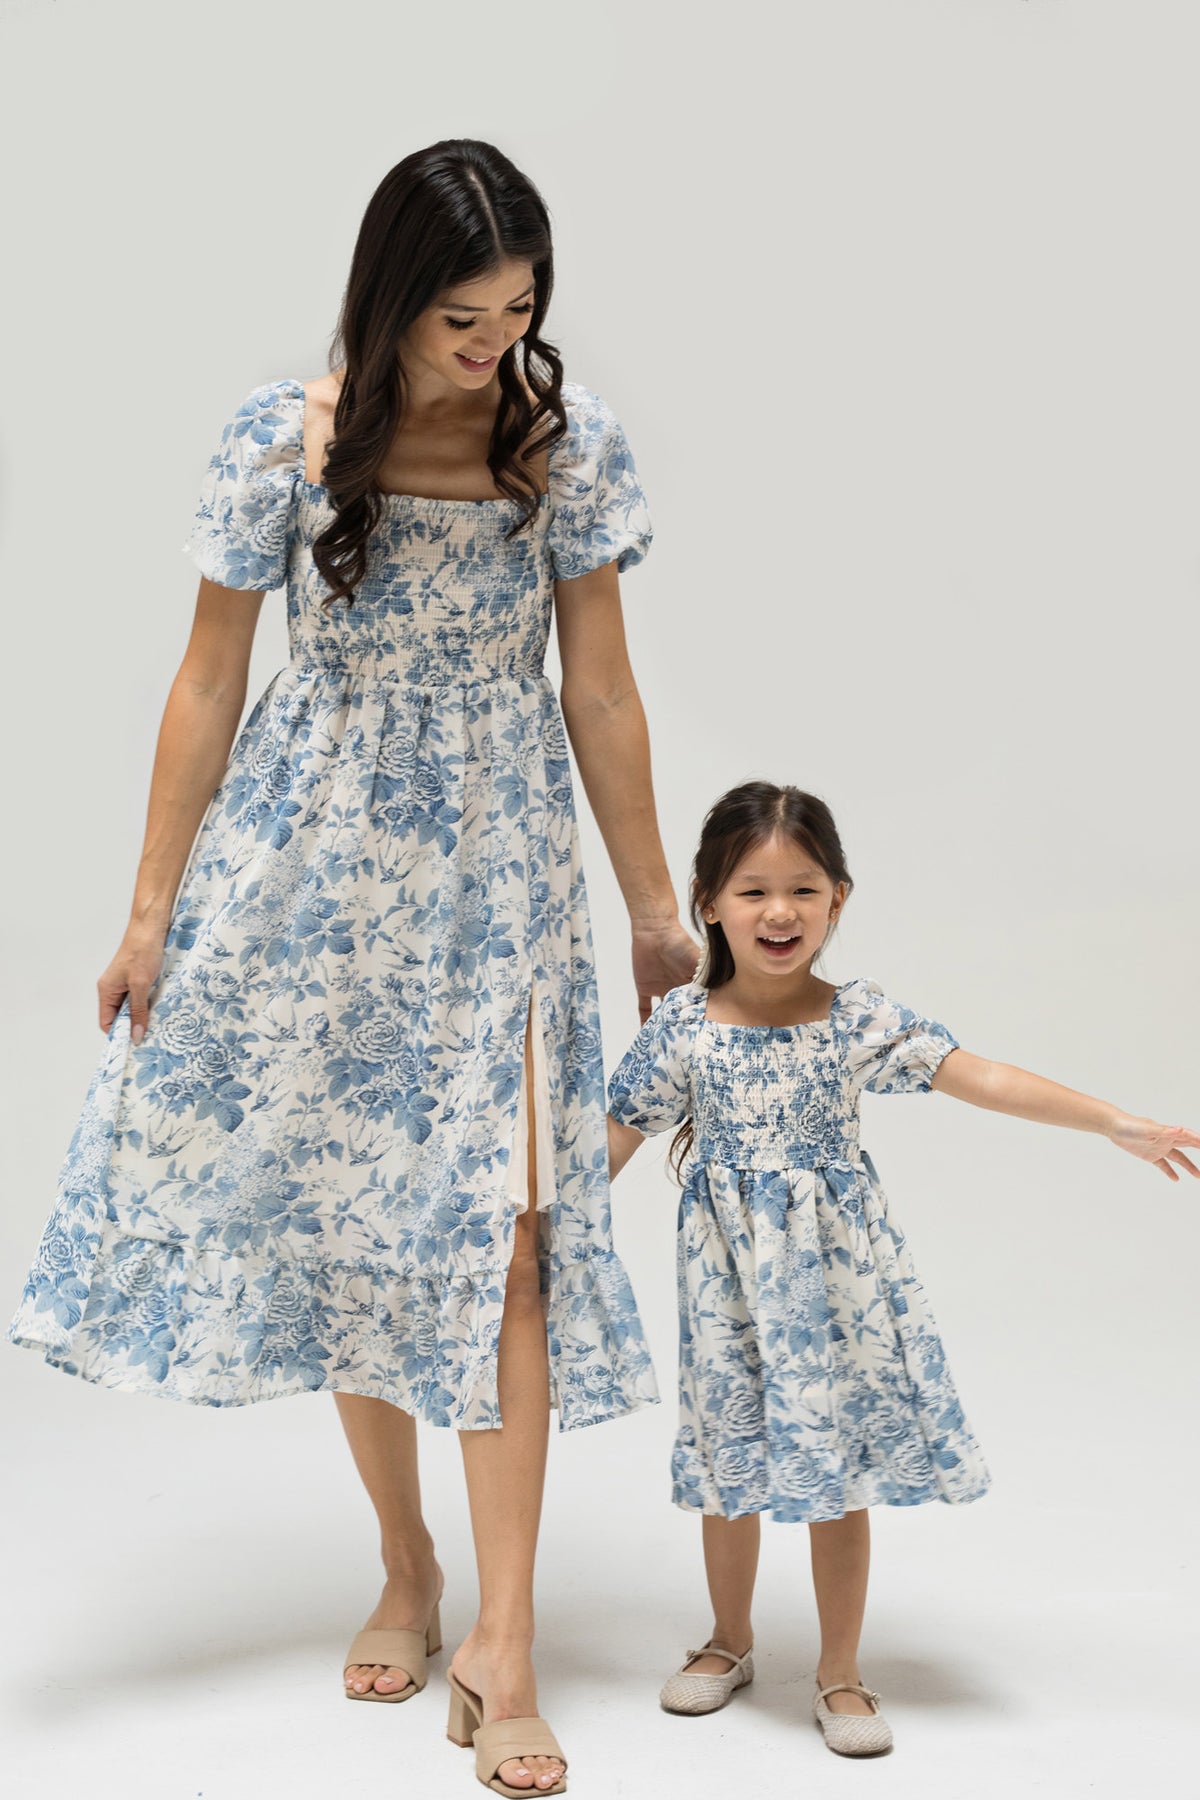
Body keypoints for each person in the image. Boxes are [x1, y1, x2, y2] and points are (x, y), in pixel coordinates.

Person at [8, 140, 698, 1797]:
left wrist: (654, 907)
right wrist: (147, 913)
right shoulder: (280, 439)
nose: (495, 344)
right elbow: (204, 680)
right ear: (391, 299)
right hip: (310, 870)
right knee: (358, 1226)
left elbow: (602, 691)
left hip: (498, 875)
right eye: (464, 317)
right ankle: (407, 1560)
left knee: (510, 1242)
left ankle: (506, 1644)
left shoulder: (566, 448)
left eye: (520, 311)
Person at [605, 780, 1197, 1759]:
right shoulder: (684, 1025)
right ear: (708, 902)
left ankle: (840, 1670)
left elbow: (980, 1074)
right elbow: (612, 1139)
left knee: (837, 1475)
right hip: (726, 1292)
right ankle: (728, 1640)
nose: (780, 911)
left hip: (836, 1292)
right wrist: (521, 1222)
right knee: (727, 1464)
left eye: (804, 888)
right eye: (753, 891)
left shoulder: (855, 1020)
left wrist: (1113, 1122)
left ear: (839, 897)